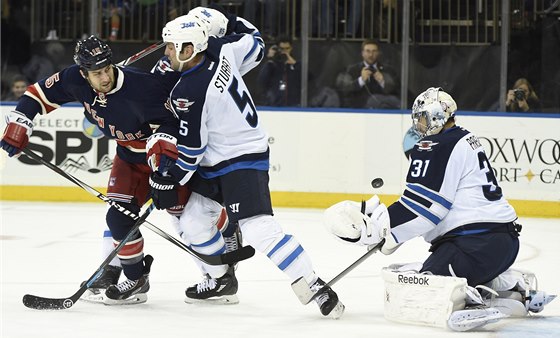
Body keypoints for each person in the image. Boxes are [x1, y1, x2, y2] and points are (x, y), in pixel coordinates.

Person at [147, 13, 345, 318]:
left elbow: (192, 148)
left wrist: (169, 179)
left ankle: (314, 284)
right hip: (220, 156)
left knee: (259, 229)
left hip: (241, 160)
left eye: (171, 47)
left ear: (189, 49)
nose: (166, 52)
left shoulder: (191, 91)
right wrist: (226, 20)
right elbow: (256, 43)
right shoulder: (222, 47)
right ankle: (221, 279)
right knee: (192, 221)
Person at [323, 87, 556, 330]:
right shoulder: (464, 138)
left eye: (422, 117)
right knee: (436, 270)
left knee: (422, 285)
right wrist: (393, 230)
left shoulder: (434, 145)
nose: (418, 125)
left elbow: (423, 209)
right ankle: (514, 290)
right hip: (505, 244)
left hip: (474, 246)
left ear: (436, 116)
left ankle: (470, 301)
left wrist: (377, 229)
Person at [0, 35, 185, 305]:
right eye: (97, 73)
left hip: (160, 158)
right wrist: (21, 121)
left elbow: (173, 124)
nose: (105, 77)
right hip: (127, 158)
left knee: (189, 221)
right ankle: (135, 278)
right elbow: (36, 95)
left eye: (107, 69)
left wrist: (164, 170)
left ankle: (219, 269)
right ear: (84, 73)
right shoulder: (74, 79)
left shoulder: (143, 88)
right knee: (118, 218)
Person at [336, 39, 399, 109]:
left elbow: (396, 91)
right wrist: (360, 80)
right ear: (362, 53)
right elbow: (343, 89)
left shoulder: (388, 70)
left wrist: (383, 81)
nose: (371, 54)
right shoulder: (351, 70)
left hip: (382, 112)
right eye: (368, 51)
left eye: (374, 51)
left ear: (378, 53)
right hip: (357, 111)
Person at [257, 35, 302, 106]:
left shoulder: (296, 61)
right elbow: (261, 80)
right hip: (273, 104)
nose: (284, 51)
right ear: (277, 48)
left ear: (291, 48)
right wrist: (269, 59)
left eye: (287, 48)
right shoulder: (271, 63)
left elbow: (309, 79)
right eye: (282, 49)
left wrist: (295, 64)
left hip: (294, 105)